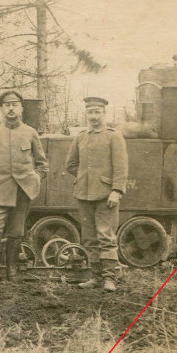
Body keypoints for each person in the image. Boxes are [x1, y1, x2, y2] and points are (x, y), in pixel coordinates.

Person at [0, 89, 48, 282]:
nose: (11, 109)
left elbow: (43, 165)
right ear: (1, 109)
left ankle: (12, 272)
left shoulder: (30, 133)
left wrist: (34, 179)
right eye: (7, 105)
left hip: (22, 192)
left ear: (21, 108)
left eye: (15, 105)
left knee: (16, 231)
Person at [63, 96, 129, 292]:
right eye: (90, 112)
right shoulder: (81, 137)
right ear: (87, 114)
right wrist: (85, 178)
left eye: (97, 112)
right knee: (90, 237)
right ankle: (96, 277)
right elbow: (70, 164)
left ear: (104, 113)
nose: (93, 116)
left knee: (106, 236)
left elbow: (121, 167)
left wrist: (116, 190)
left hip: (106, 194)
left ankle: (110, 278)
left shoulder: (113, 137)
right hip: (83, 194)